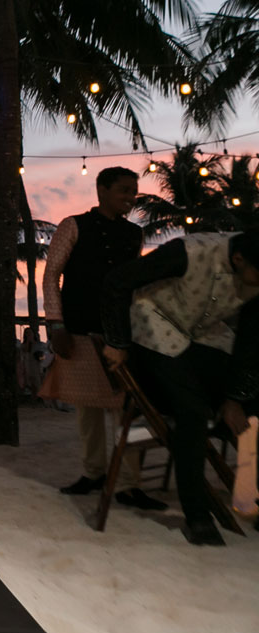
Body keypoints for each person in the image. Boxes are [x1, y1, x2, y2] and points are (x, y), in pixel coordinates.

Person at [101, 229, 259, 545]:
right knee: (192, 410)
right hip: (153, 333)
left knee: (256, 401)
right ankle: (198, 517)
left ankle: (253, 501)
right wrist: (117, 341)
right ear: (239, 259)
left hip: (201, 336)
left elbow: (249, 343)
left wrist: (235, 398)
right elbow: (117, 280)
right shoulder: (187, 252)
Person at [40, 167, 166, 511]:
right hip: (78, 328)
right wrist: (55, 325)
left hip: (121, 334)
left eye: (133, 192)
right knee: (88, 411)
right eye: (124, 190)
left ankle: (128, 484)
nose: (130, 198)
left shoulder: (133, 234)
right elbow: (51, 276)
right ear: (102, 190)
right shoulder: (73, 226)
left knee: (125, 410)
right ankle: (93, 472)